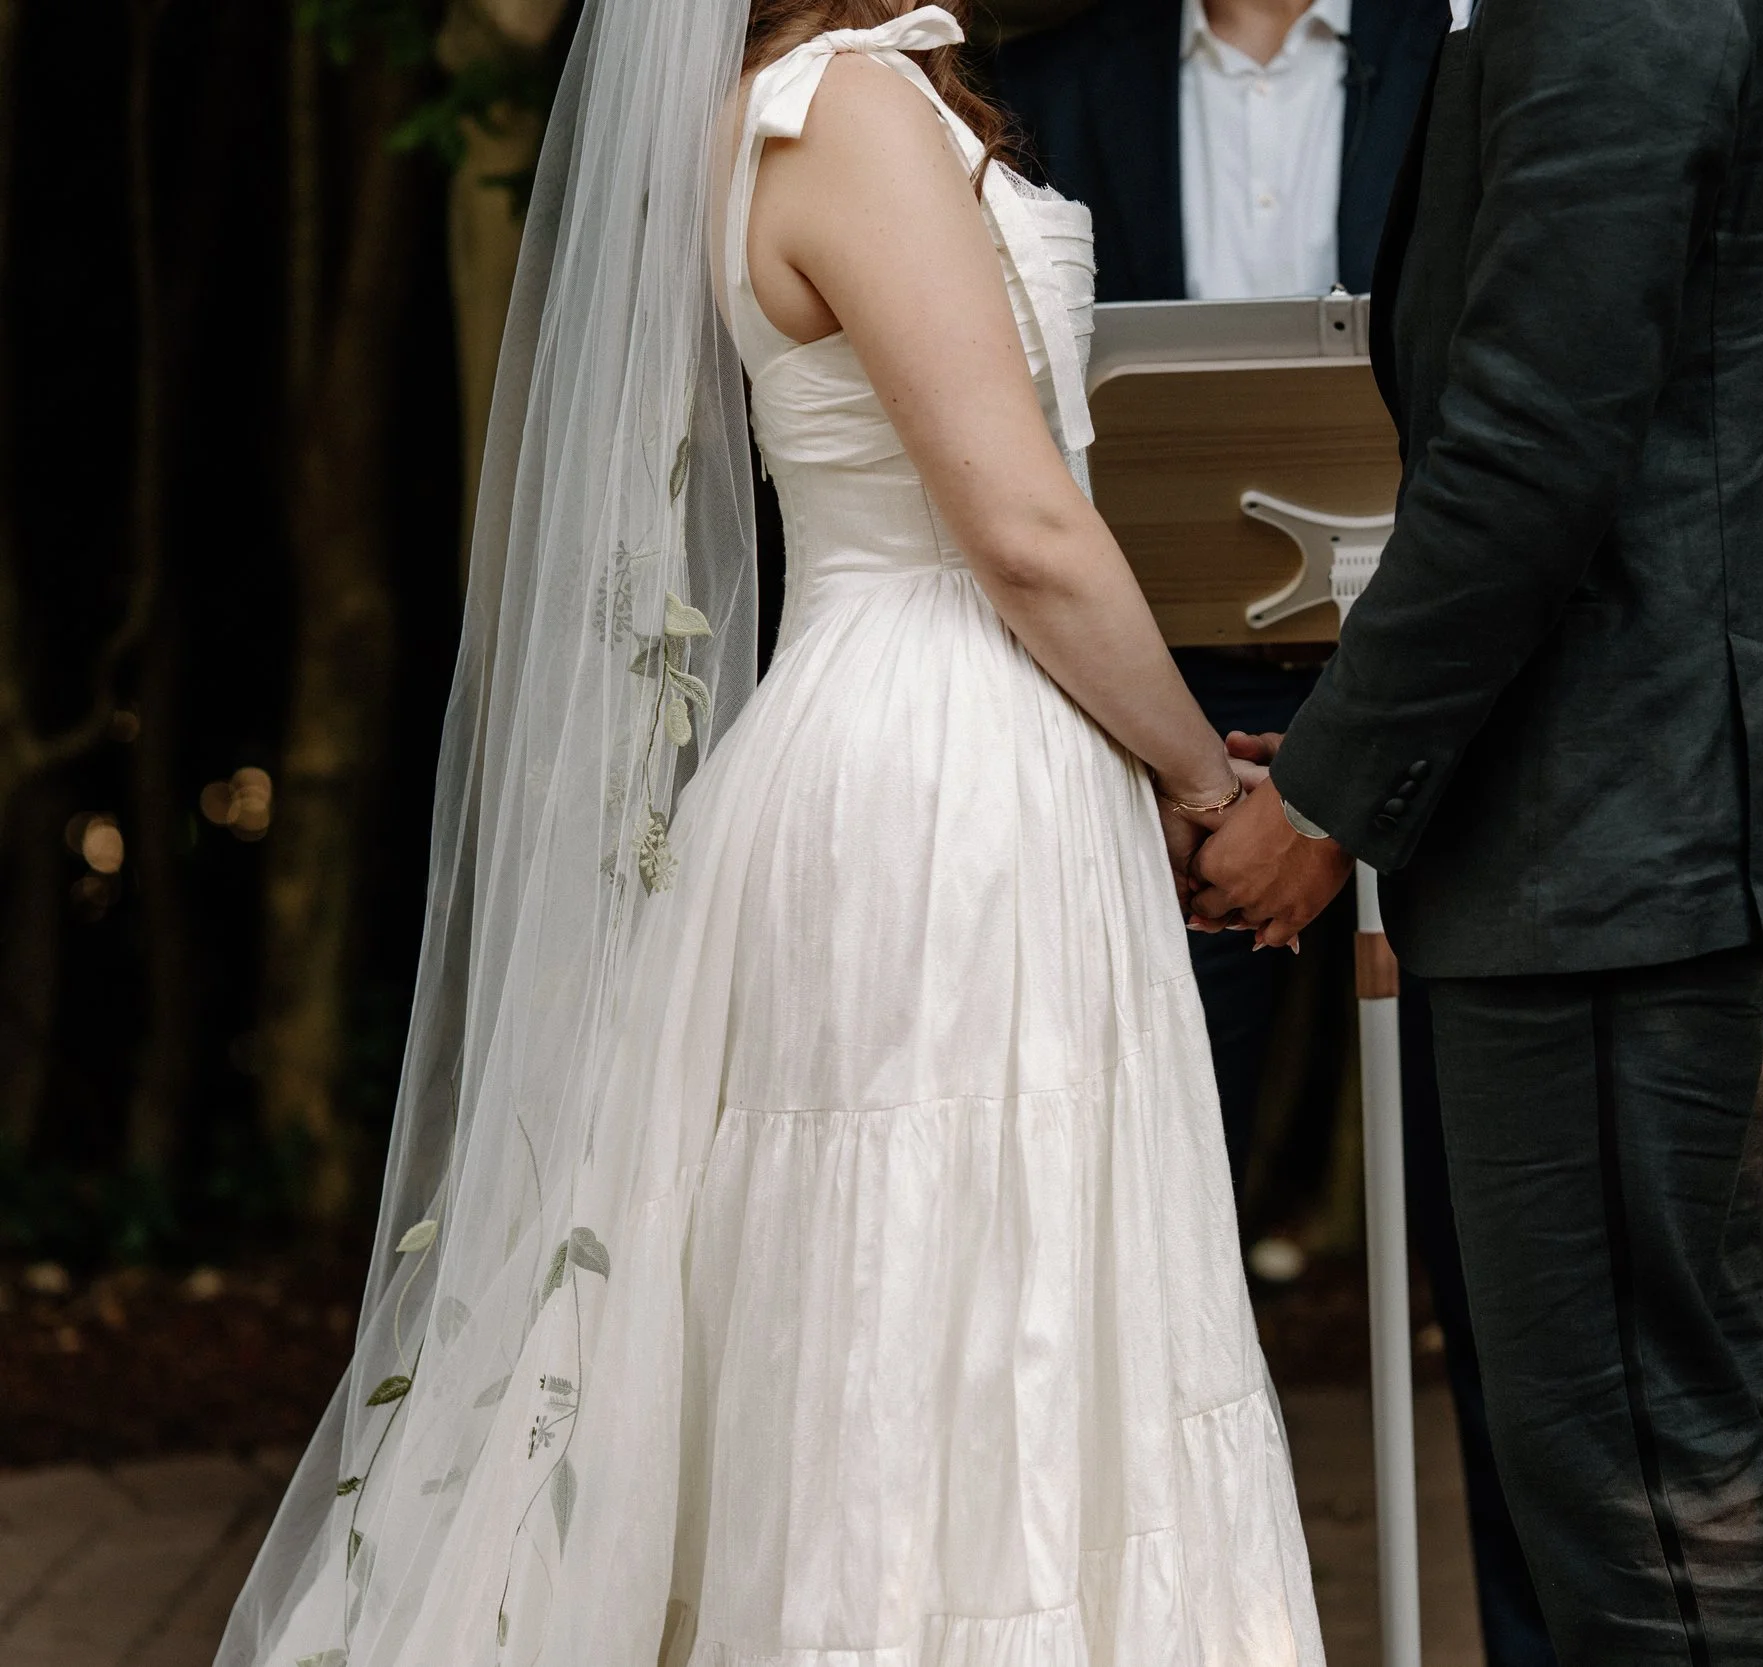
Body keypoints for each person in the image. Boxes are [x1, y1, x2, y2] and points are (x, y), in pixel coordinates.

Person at [216, 2, 1324, 1663]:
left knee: (914, 1286)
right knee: (934, 1299)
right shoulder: (847, 110)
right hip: (940, 765)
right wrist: (1205, 782)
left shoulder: (798, 102)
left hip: (943, 730)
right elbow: (1022, 531)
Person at [1190, 0, 1763, 1660]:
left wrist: (1324, 794)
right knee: (1708, 1427)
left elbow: (1531, 450)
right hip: (1634, 809)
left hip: (1603, 833)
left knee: (1633, 1470)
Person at [994, 11, 1555, 1667]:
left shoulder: (1456, 46)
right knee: (1138, 1209)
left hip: (1450, 706)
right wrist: (1184, 758)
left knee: (1505, 1253)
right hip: (1154, 719)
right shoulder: (1053, 78)